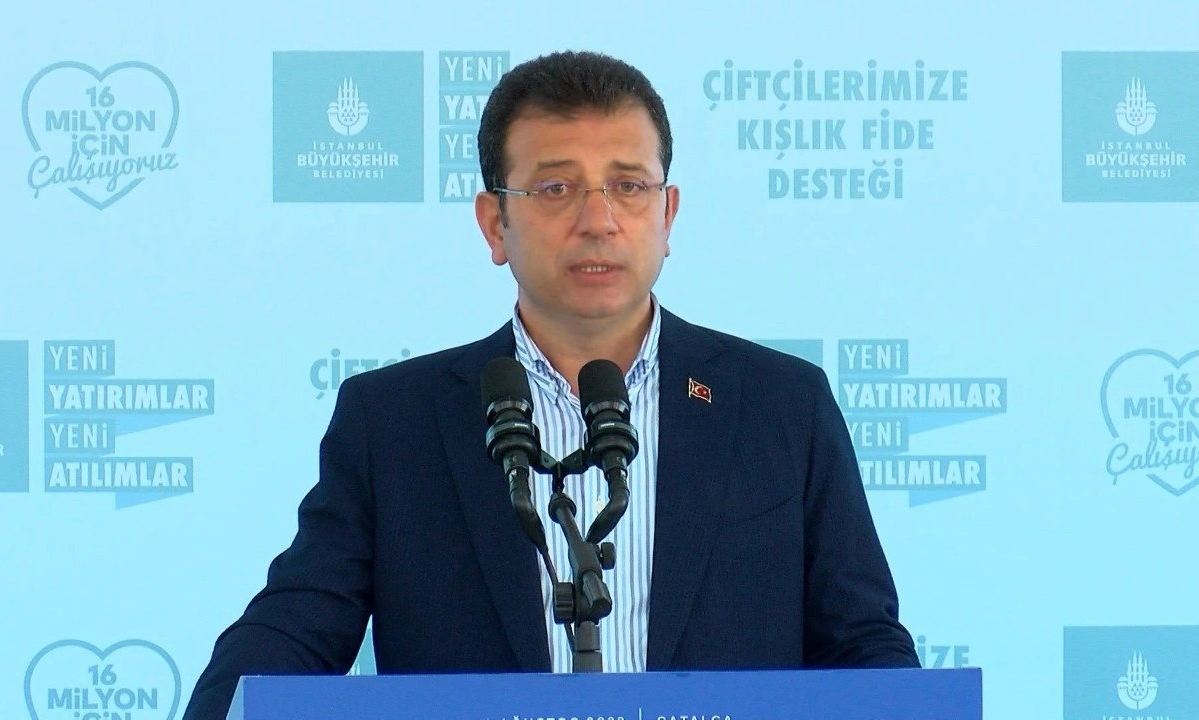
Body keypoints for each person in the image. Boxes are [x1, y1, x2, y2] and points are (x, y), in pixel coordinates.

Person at [182, 49, 918, 720]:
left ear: (667, 215)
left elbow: (863, 644)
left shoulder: (781, 406)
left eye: (628, 186)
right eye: (556, 188)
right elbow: (292, 630)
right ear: (494, 223)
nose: (599, 220)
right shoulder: (394, 422)